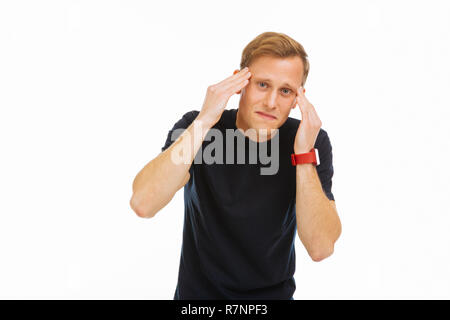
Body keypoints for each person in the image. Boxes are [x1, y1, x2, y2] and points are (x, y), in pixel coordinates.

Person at [130, 31, 342, 300]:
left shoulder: (310, 141)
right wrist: (205, 119)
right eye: (263, 84)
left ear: (298, 98)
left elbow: (321, 247)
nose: (271, 102)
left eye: (285, 91)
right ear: (239, 82)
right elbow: (143, 203)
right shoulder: (199, 126)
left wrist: (302, 156)